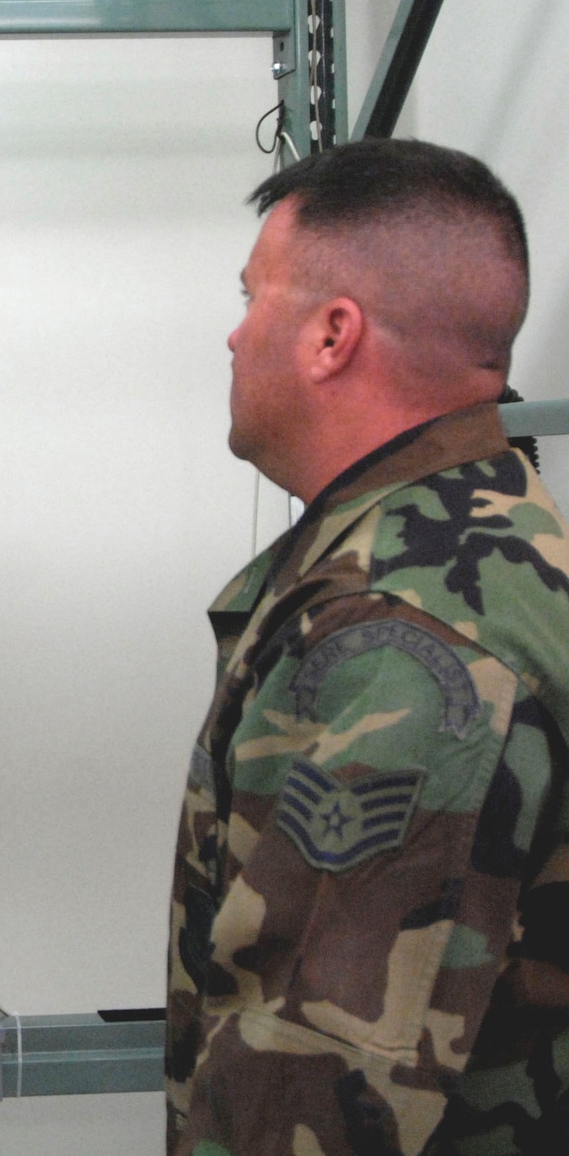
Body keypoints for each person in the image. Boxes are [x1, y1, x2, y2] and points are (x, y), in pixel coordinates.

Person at [166, 138, 569, 1155]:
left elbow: (312, 1086)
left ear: (330, 335)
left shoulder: (403, 628)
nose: (230, 334)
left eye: (253, 296)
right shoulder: (462, 541)